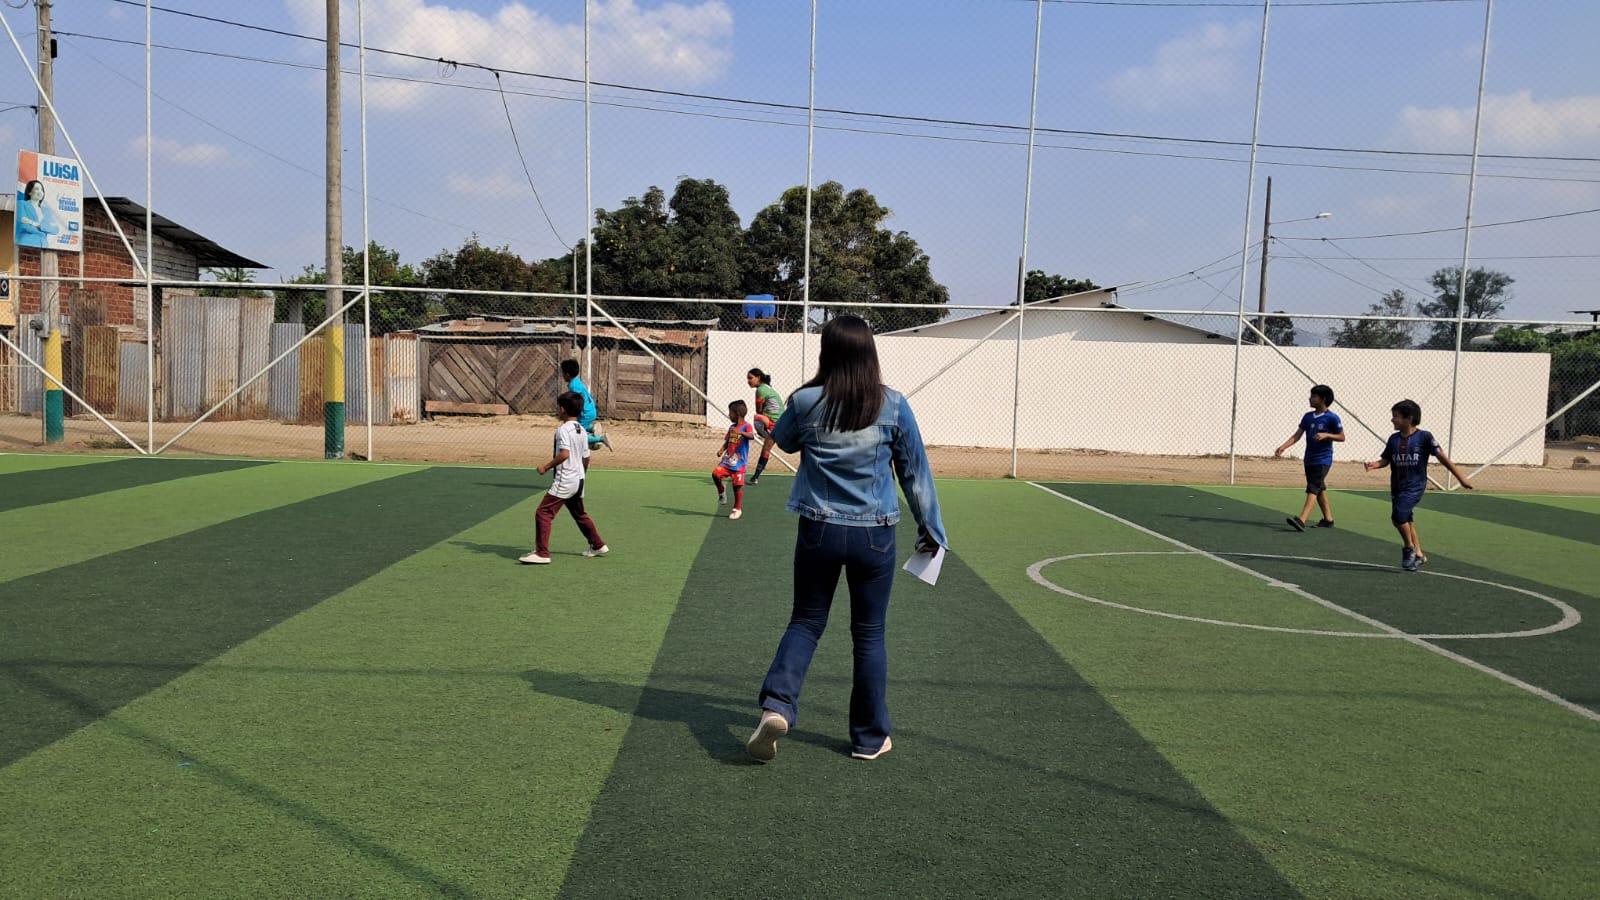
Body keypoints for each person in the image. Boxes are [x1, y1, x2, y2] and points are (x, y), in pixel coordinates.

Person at [746, 314, 946, 763]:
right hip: (874, 535)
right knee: (869, 634)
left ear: (827, 352)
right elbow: (915, 474)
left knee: (806, 621)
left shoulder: (805, 400)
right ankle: (869, 739)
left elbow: (784, 441)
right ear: (869, 352)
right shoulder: (893, 404)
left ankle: (777, 706)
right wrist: (931, 531)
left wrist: (764, 423)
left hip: (818, 529)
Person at [1363, 399, 1474, 572]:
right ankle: (1419, 555)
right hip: (1397, 486)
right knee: (1406, 518)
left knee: (1398, 516)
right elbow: (1386, 459)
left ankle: (1409, 549)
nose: (1392, 420)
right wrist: (1375, 464)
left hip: (1415, 486)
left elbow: (1442, 458)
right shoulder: (1393, 439)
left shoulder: (1424, 437)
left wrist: (1461, 478)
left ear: (1409, 418)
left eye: (1396, 416)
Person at [520, 391, 608, 565]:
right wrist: (581, 475)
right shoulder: (582, 430)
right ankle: (597, 544)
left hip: (565, 479)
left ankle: (542, 554)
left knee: (544, 513)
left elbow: (564, 454)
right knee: (579, 513)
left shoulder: (563, 430)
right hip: (578, 479)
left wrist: (545, 467)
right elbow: (586, 458)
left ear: (562, 409)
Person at [1274, 384, 1345, 531]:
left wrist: (1327, 435)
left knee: (1312, 488)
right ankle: (1328, 519)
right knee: (1319, 488)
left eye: (1313, 396)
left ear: (1323, 399)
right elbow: (1297, 435)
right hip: (1309, 459)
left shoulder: (1332, 418)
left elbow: (1342, 437)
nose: (1310, 398)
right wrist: (1284, 446)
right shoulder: (1308, 417)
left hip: (1323, 460)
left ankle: (1302, 520)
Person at [713, 399, 756, 520]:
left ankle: (737, 508)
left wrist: (741, 433)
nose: (729, 415)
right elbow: (728, 441)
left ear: (736, 414)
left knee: (737, 486)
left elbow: (751, 436)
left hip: (739, 464)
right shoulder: (732, 427)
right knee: (715, 474)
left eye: (730, 413)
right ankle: (721, 491)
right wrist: (722, 449)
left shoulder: (747, 426)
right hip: (727, 461)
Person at [559, 358, 612, 452]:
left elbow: (578, 401)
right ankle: (592, 428)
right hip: (590, 410)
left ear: (567, 374)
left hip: (585, 413)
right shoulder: (576, 381)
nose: (562, 375)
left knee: (578, 434)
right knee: (579, 427)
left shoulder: (573, 386)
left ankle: (601, 439)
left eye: (562, 373)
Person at [746, 367, 785, 484]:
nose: (748, 381)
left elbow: (759, 410)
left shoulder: (760, 390)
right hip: (780, 422)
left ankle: (767, 435)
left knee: (757, 418)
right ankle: (755, 477)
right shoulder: (767, 387)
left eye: (750, 378)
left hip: (774, 422)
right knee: (766, 449)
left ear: (758, 378)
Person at [16, 180, 59, 249]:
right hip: (26, 242)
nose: (40, 192)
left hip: (43, 245)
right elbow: (23, 224)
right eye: (37, 189)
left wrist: (35, 224)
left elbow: (55, 229)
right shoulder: (21, 204)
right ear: (30, 192)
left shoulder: (46, 211)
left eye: (42, 190)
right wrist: (46, 228)